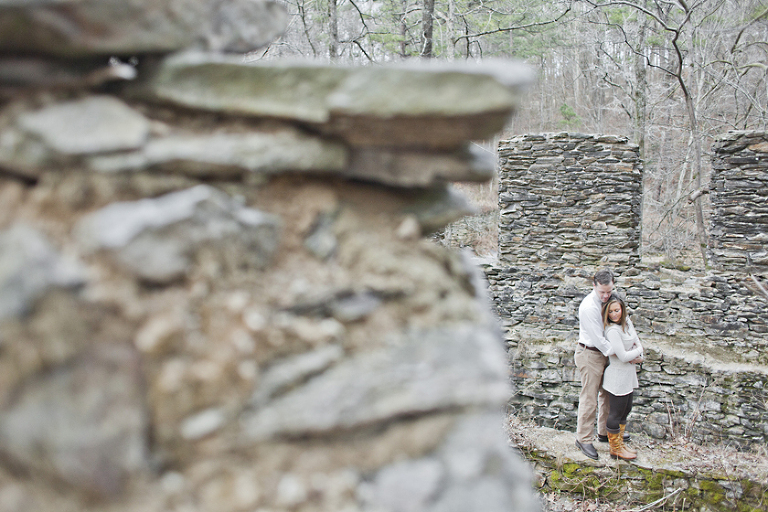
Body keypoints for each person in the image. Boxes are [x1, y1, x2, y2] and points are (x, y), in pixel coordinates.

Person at [574, 268, 615, 460]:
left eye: (609, 291)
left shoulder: (611, 298)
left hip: (605, 354)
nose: (606, 295)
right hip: (590, 353)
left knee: (607, 394)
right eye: (602, 292)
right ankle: (583, 439)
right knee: (589, 396)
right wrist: (621, 354)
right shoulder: (588, 307)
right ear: (594, 286)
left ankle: (603, 433)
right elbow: (599, 339)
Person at [601, 293, 643, 460]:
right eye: (610, 312)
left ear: (622, 309)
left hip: (628, 374)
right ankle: (615, 448)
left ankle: (621, 444)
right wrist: (638, 352)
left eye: (617, 310)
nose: (614, 314)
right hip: (617, 376)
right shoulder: (611, 330)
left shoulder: (627, 324)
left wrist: (637, 353)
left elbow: (638, 344)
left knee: (627, 409)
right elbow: (623, 356)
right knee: (616, 413)